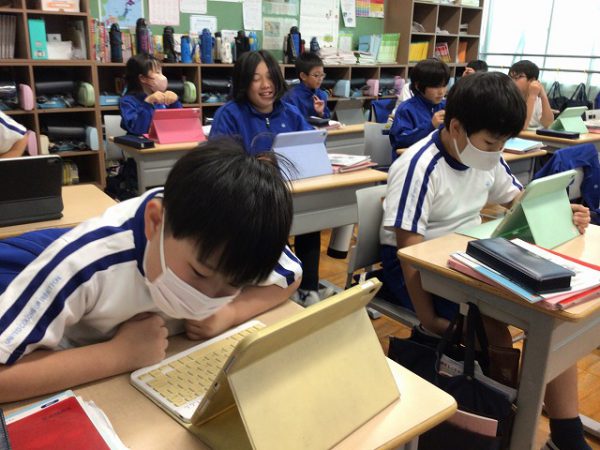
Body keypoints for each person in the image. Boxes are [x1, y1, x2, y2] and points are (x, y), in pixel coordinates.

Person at [380, 71, 592, 450]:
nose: (497, 151)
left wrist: (564, 212)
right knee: (495, 332)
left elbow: (518, 199)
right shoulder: (418, 166)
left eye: (503, 142)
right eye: (491, 142)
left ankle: (564, 433)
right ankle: (499, 426)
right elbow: (408, 251)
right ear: (456, 127)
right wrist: (428, 318)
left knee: (555, 322)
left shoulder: (485, 157)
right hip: (417, 269)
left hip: (465, 258)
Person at [0, 138, 302, 403]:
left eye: (232, 285)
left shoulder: (231, 235)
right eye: (199, 273)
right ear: (155, 223)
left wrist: (230, 313)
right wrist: (119, 355)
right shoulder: (87, 261)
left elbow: (290, 276)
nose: (207, 299)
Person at [210, 50, 327, 307]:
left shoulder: (290, 112)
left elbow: (312, 144)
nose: (266, 85)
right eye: (256, 79)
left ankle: (308, 289)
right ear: (244, 82)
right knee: (276, 226)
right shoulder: (229, 115)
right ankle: (281, 287)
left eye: (271, 77)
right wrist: (255, 166)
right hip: (250, 201)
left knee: (311, 221)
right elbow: (218, 165)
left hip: (292, 193)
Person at [388, 58, 450, 158]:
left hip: (437, 159)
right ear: (418, 86)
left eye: (444, 85)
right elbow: (399, 141)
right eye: (436, 86)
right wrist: (431, 126)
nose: (441, 92)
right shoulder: (406, 109)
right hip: (410, 161)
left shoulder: (446, 106)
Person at [119, 53, 182, 135]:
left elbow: (179, 124)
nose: (162, 77)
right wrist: (148, 103)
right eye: (157, 72)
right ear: (142, 78)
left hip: (164, 140)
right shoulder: (127, 101)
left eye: (161, 72)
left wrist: (174, 102)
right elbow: (139, 129)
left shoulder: (162, 97)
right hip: (141, 142)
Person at [283, 52, 331, 120]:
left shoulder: (321, 94)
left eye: (322, 75)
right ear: (303, 76)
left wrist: (320, 113)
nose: (320, 79)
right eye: (316, 75)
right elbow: (290, 121)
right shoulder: (291, 97)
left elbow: (327, 120)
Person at [509, 60, 554, 129]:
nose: (512, 81)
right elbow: (521, 125)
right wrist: (532, 96)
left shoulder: (538, 100)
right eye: (511, 77)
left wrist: (543, 96)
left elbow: (548, 124)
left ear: (532, 80)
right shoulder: (508, 98)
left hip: (533, 135)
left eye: (518, 77)